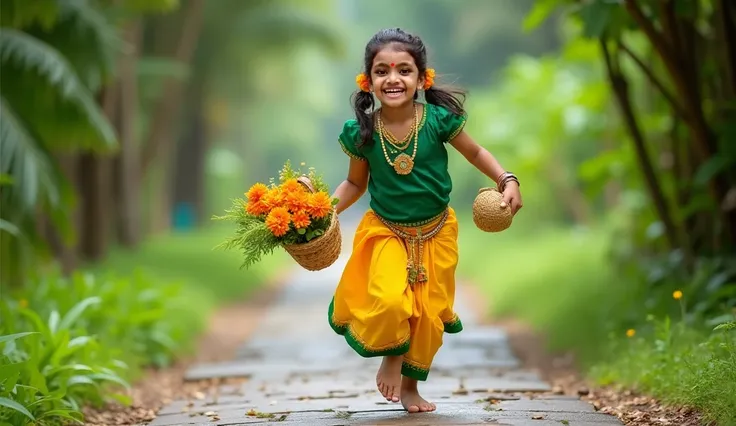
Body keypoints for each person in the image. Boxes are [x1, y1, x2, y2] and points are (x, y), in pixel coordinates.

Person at [327, 28, 523, 414]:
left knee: (429, 315)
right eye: (382, 71)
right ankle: (391, 356)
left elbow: (476, 152)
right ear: (368, 81)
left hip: (437, 231)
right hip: (386, 229)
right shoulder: (363, 132)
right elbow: (354, 183)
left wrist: (506, 179)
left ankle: (411, 388)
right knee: (387, 298)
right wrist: (323, 211)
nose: (393, 79)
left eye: (404, 70)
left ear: (421, 78)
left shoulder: (438, 120)